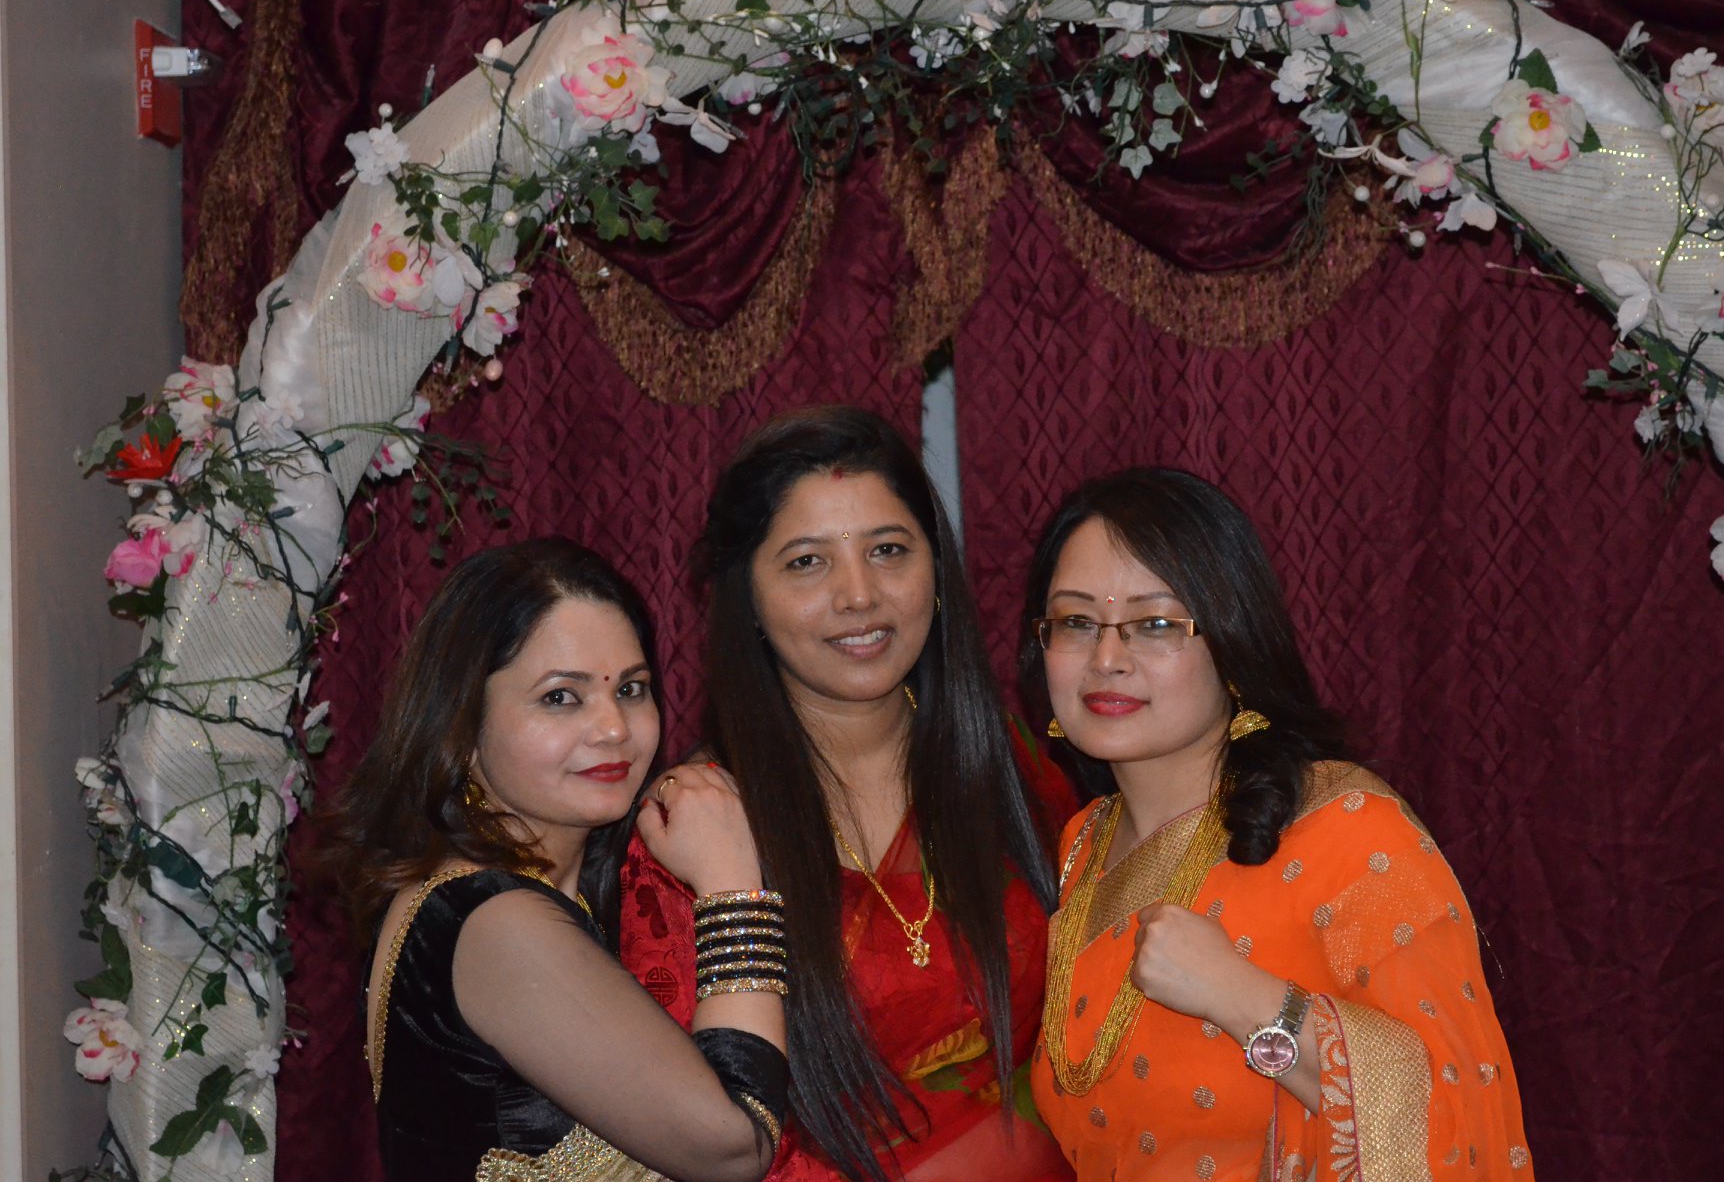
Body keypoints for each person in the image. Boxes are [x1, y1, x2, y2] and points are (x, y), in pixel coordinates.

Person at [1019, 469, 1531, 1181]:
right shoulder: (1078, 845)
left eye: (1156, 623)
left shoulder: (1345, 829)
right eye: (1076, 622)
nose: (1107, 659)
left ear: (1233, 639)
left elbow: (1457, 1117)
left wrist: (1249, 999)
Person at [621, 406, 1076, 1181]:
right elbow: (703, 1133)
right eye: (807, 562)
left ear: (938, 570)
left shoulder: (1007, 760)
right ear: (747, 597)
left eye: (888, 550)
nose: (859, 595)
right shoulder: (697, 826)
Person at [327, 537, 791, 1180]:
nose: (614, 728)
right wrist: (732, 885)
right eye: (560, 697)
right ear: (462, 723)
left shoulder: (539, 898)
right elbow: (735, 1147)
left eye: (631, 689)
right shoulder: (493, 921)